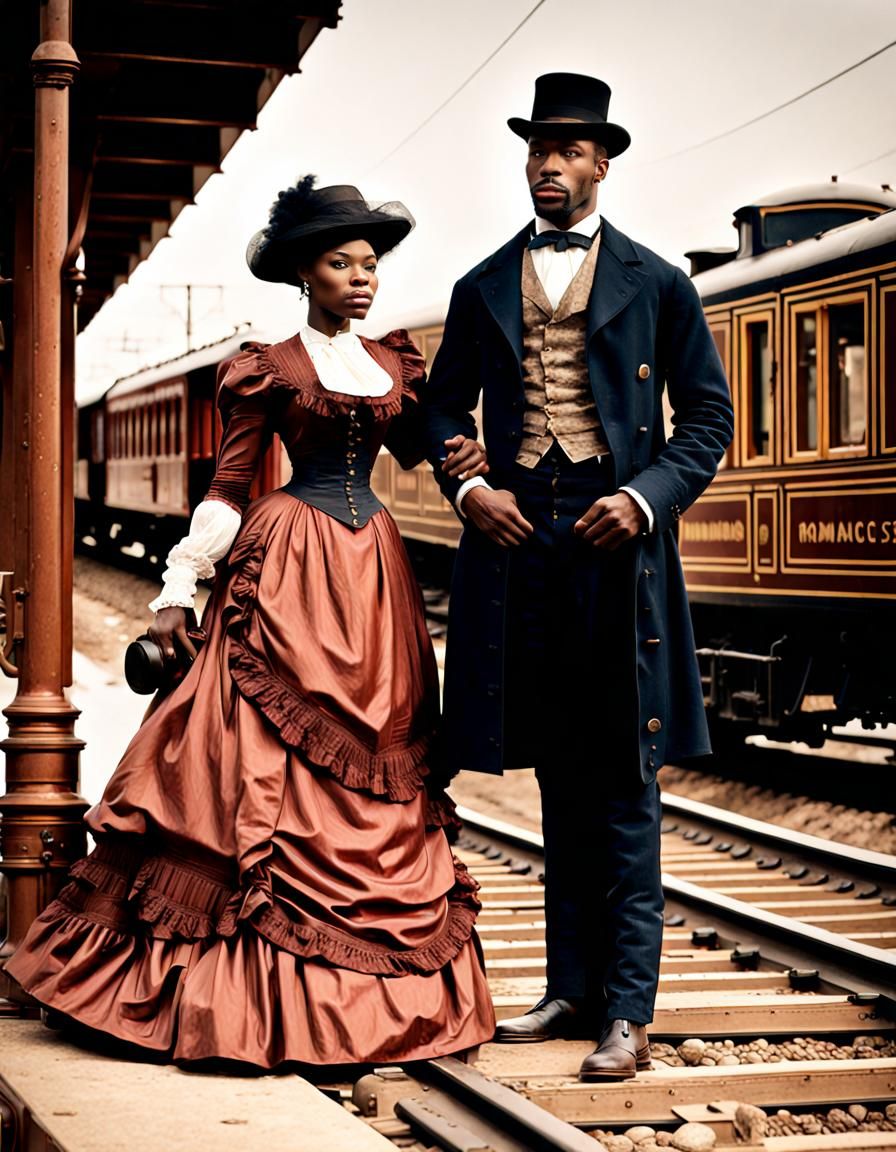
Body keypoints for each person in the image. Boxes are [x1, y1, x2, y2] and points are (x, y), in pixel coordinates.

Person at [5, 177, 496, 1067]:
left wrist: (465, 460)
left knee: (381, 755)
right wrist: (179, 589)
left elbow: (430, 445)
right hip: (288, 564)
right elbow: (231, 488)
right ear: (304, 276)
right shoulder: (265, 367)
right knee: (249, 755)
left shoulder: (393, 366)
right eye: (342, 264)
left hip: (372, 574)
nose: (362, 278)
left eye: (370, 263)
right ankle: (230, 996)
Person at [421, 73, 734, 1081]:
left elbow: (708, 422)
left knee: (624, 781)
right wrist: (472, 491)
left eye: (565, 151)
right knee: (557, 769)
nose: (545, 167)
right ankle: (567, 989)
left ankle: (625, 1011)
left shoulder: (657, 282)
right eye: (533, 150)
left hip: (617, 543)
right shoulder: (480, 287)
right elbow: (437, 415)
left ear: (601, 163)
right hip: (519, 546)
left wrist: (641, 497)